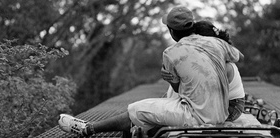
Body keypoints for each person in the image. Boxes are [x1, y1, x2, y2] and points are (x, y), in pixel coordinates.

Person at [57, 5, 243, 137]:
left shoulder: (171, 53)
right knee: (156, 108)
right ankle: (97, 129)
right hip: (221, 113)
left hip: (199, 117)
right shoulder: (217, 43)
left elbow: (178, 89)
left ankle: (87, 130)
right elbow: (237, 57)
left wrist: (172, 80)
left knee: (137, 108)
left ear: (172, 32)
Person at [162, 20, 245, 122]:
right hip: (213, 104)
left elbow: (187, 89)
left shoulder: (219, 60)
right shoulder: (211, 53)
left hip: (229, 107)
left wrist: (172, 79)